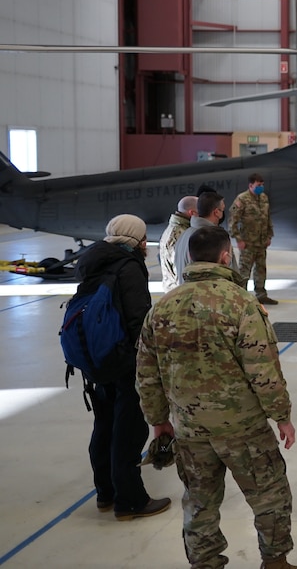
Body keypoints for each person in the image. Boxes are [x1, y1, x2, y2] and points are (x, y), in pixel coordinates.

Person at [137, 226, 297, 569]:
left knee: (199, 503)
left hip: (190, 429)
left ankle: (205, 564)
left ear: (190, 257)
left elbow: (147, 375)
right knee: (270, 496)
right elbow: (263, 370)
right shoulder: (242, 305)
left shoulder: (162, 308)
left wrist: (159, 422)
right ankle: (276, 562)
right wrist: (282, 416)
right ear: (225, 257)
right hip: (244, 429)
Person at [74, 214, 171, 521]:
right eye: (144, 239)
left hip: (97, 360)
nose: (146, 244)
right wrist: (149, 361)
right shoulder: (129, 267)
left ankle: (105, 492)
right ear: (135, 240)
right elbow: (138, 321)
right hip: (124, 361)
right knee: (128, 431)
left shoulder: (93, 261)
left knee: (104, 425)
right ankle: (130, 501)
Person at [229, 173, 277, 305]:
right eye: (258, 185)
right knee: (244, 271)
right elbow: (233, 221)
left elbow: (267, 219)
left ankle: (261, 294)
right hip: (248, 243)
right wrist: (238, 239)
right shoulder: (242, 199)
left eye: (262, 184)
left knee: (261, 269)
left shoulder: (264, 198)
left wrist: (269, 236)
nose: (261, 187)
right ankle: (241, 297)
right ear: (251, 185)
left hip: (261, 242)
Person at [175, 191, 229, 282]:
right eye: (222, 210)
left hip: (188, 292)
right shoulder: (212, 238)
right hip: (209, 293)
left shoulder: (184, 234)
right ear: (216, 212)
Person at [160, 195, 197, 292]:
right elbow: (181, 271)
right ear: (192, 213)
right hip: (180, 295)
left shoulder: (175, 229)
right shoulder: (179, 234)